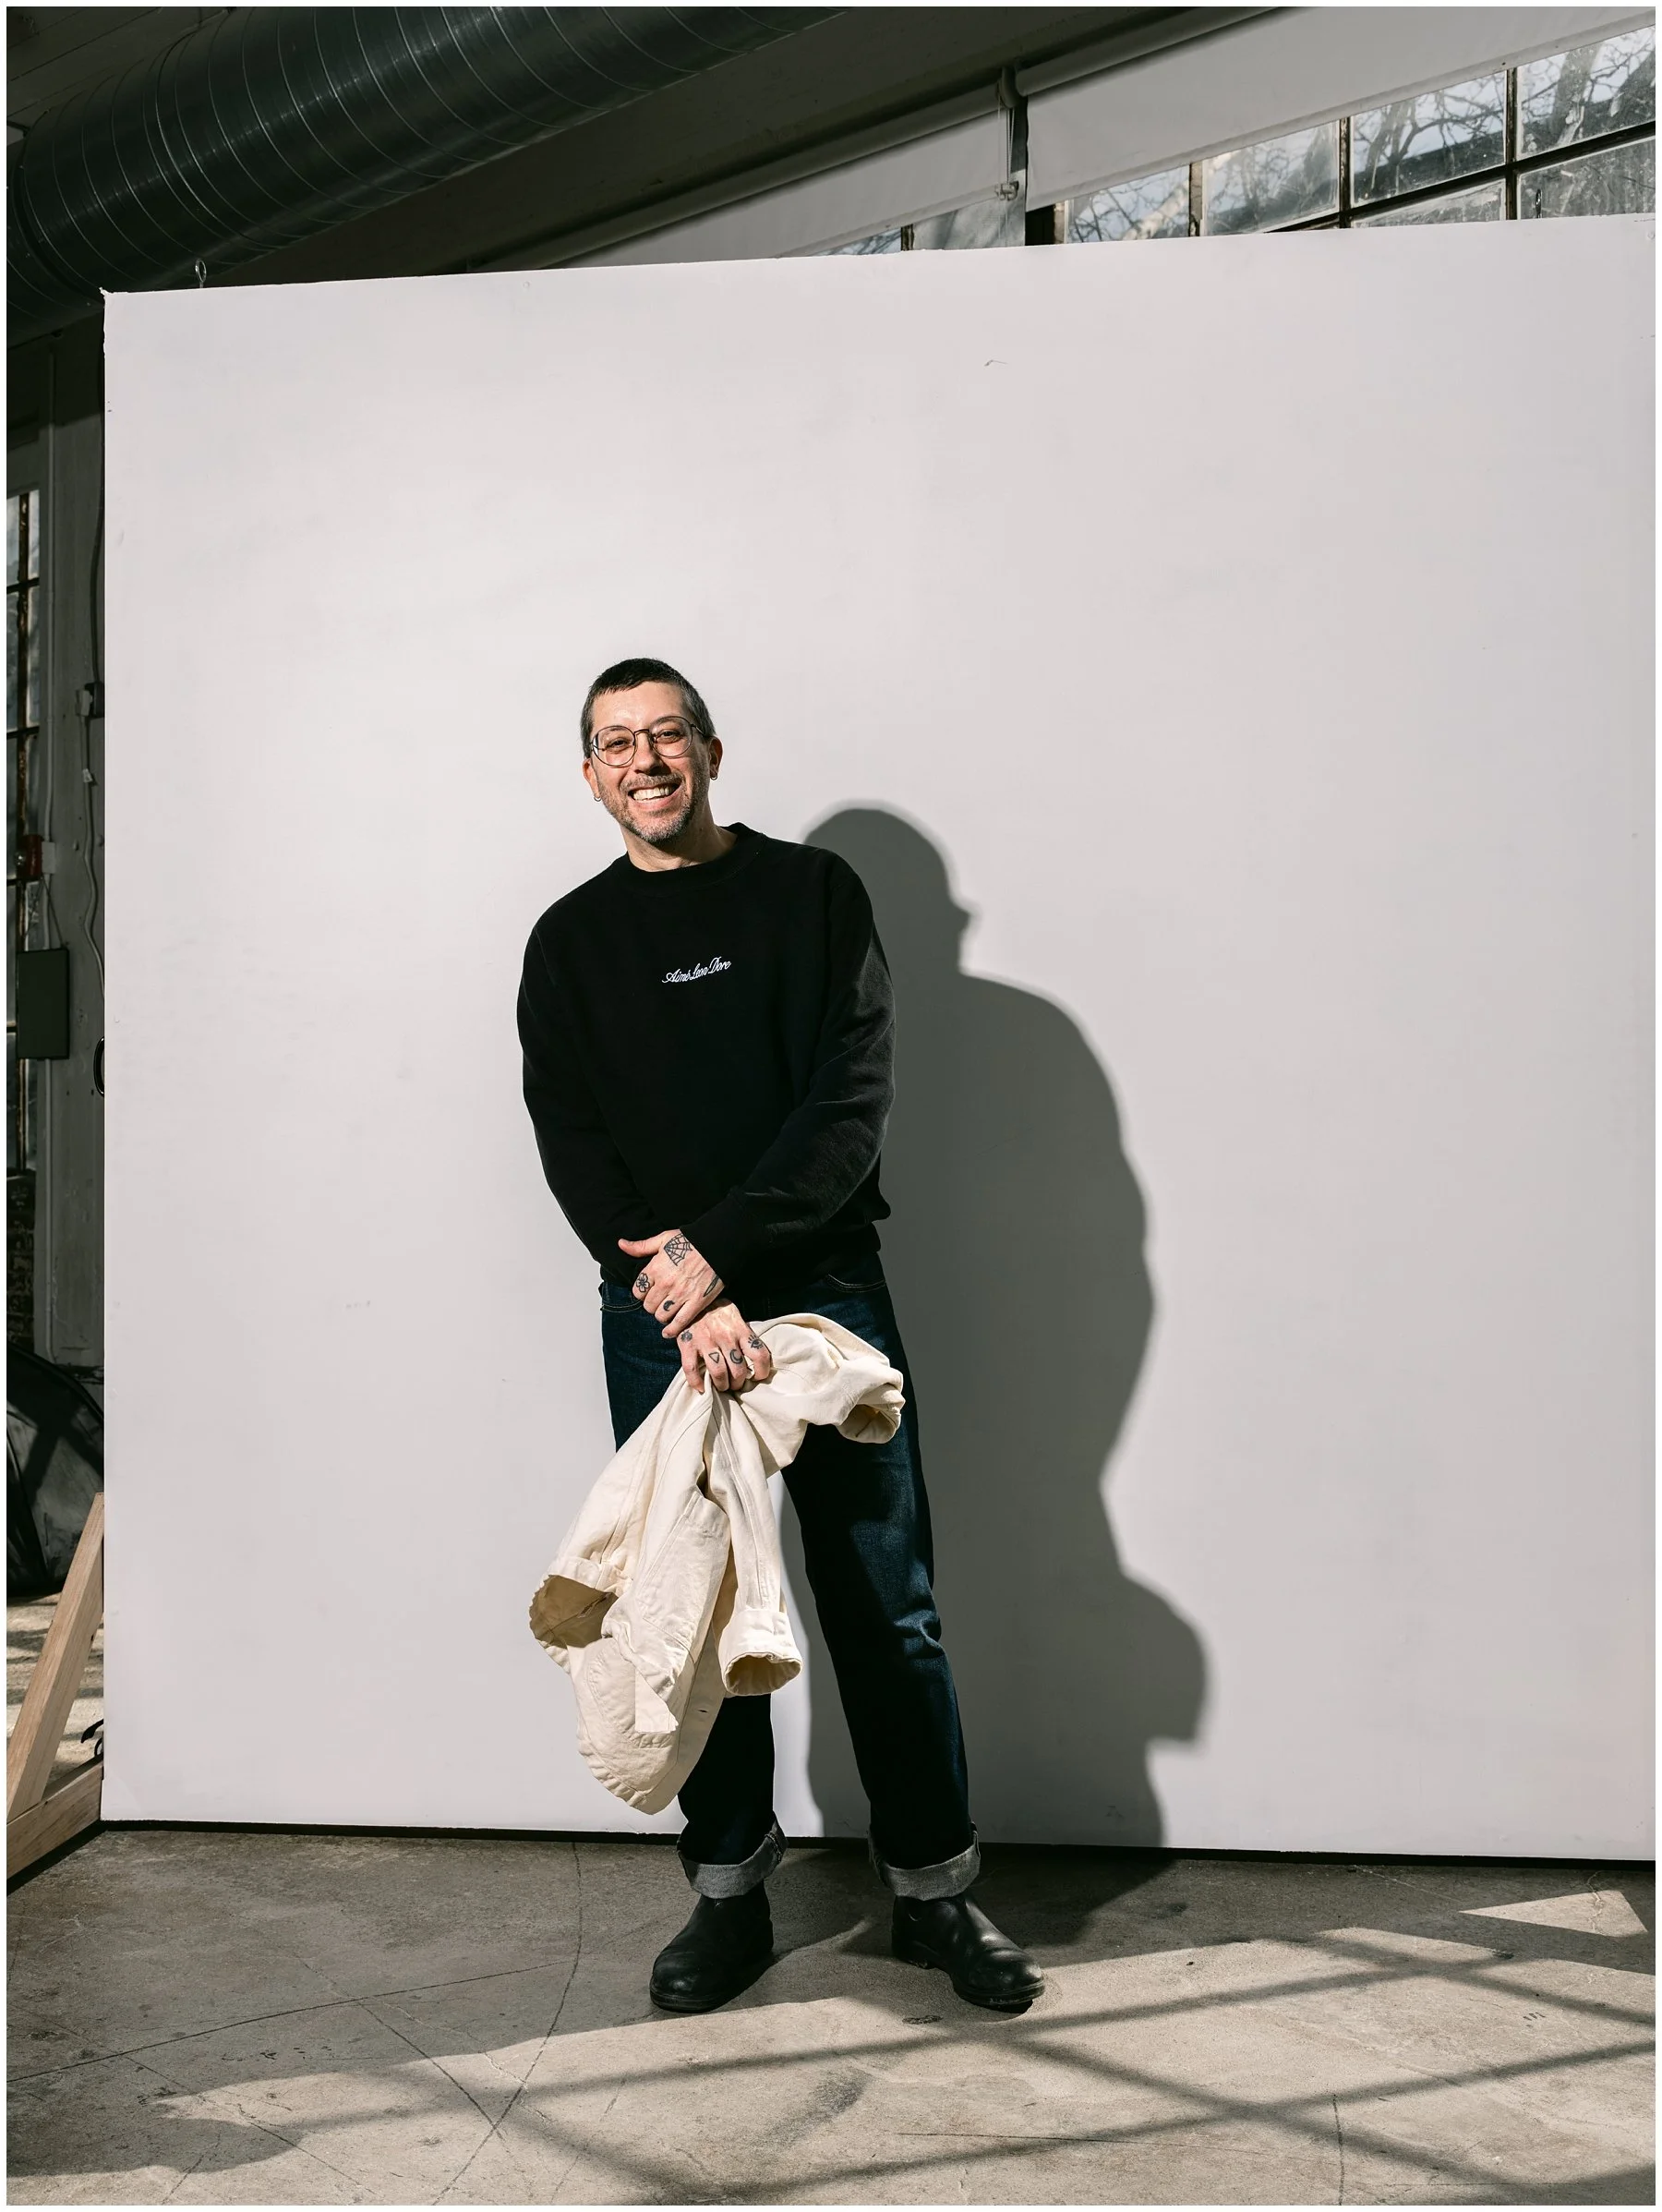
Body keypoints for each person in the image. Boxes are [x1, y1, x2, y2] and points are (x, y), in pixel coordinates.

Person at [516, 656, 1043, 2016]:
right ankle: (729, 1895)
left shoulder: (814, 897)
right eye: (616, 742)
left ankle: (933, 1891)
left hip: (827, 1294)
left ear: (712, 747)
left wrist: (722, 1256)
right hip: (664, 1321)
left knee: (887, 1603)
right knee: (691, 1612)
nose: (646, 759)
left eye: (667, 733)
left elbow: (846, 1106)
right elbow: (574, 1146)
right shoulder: (569, 944)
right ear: (589, 774)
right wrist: (682, 1287)